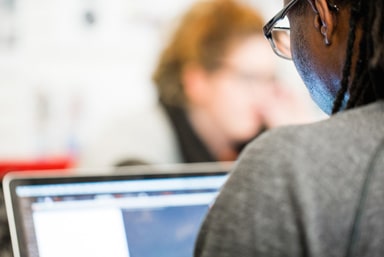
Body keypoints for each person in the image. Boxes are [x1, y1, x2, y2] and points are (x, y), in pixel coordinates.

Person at [194, 0, 384, 256]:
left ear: (322, 16)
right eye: (249, 78)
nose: (262, 95)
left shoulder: (286, 167)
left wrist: (308, 153)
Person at [79, 0, 315, 168]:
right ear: (197, 81)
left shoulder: (239, 146)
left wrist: (298, 145)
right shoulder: (133, 148)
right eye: (249, 79)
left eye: (269, 80)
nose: (264, 95)